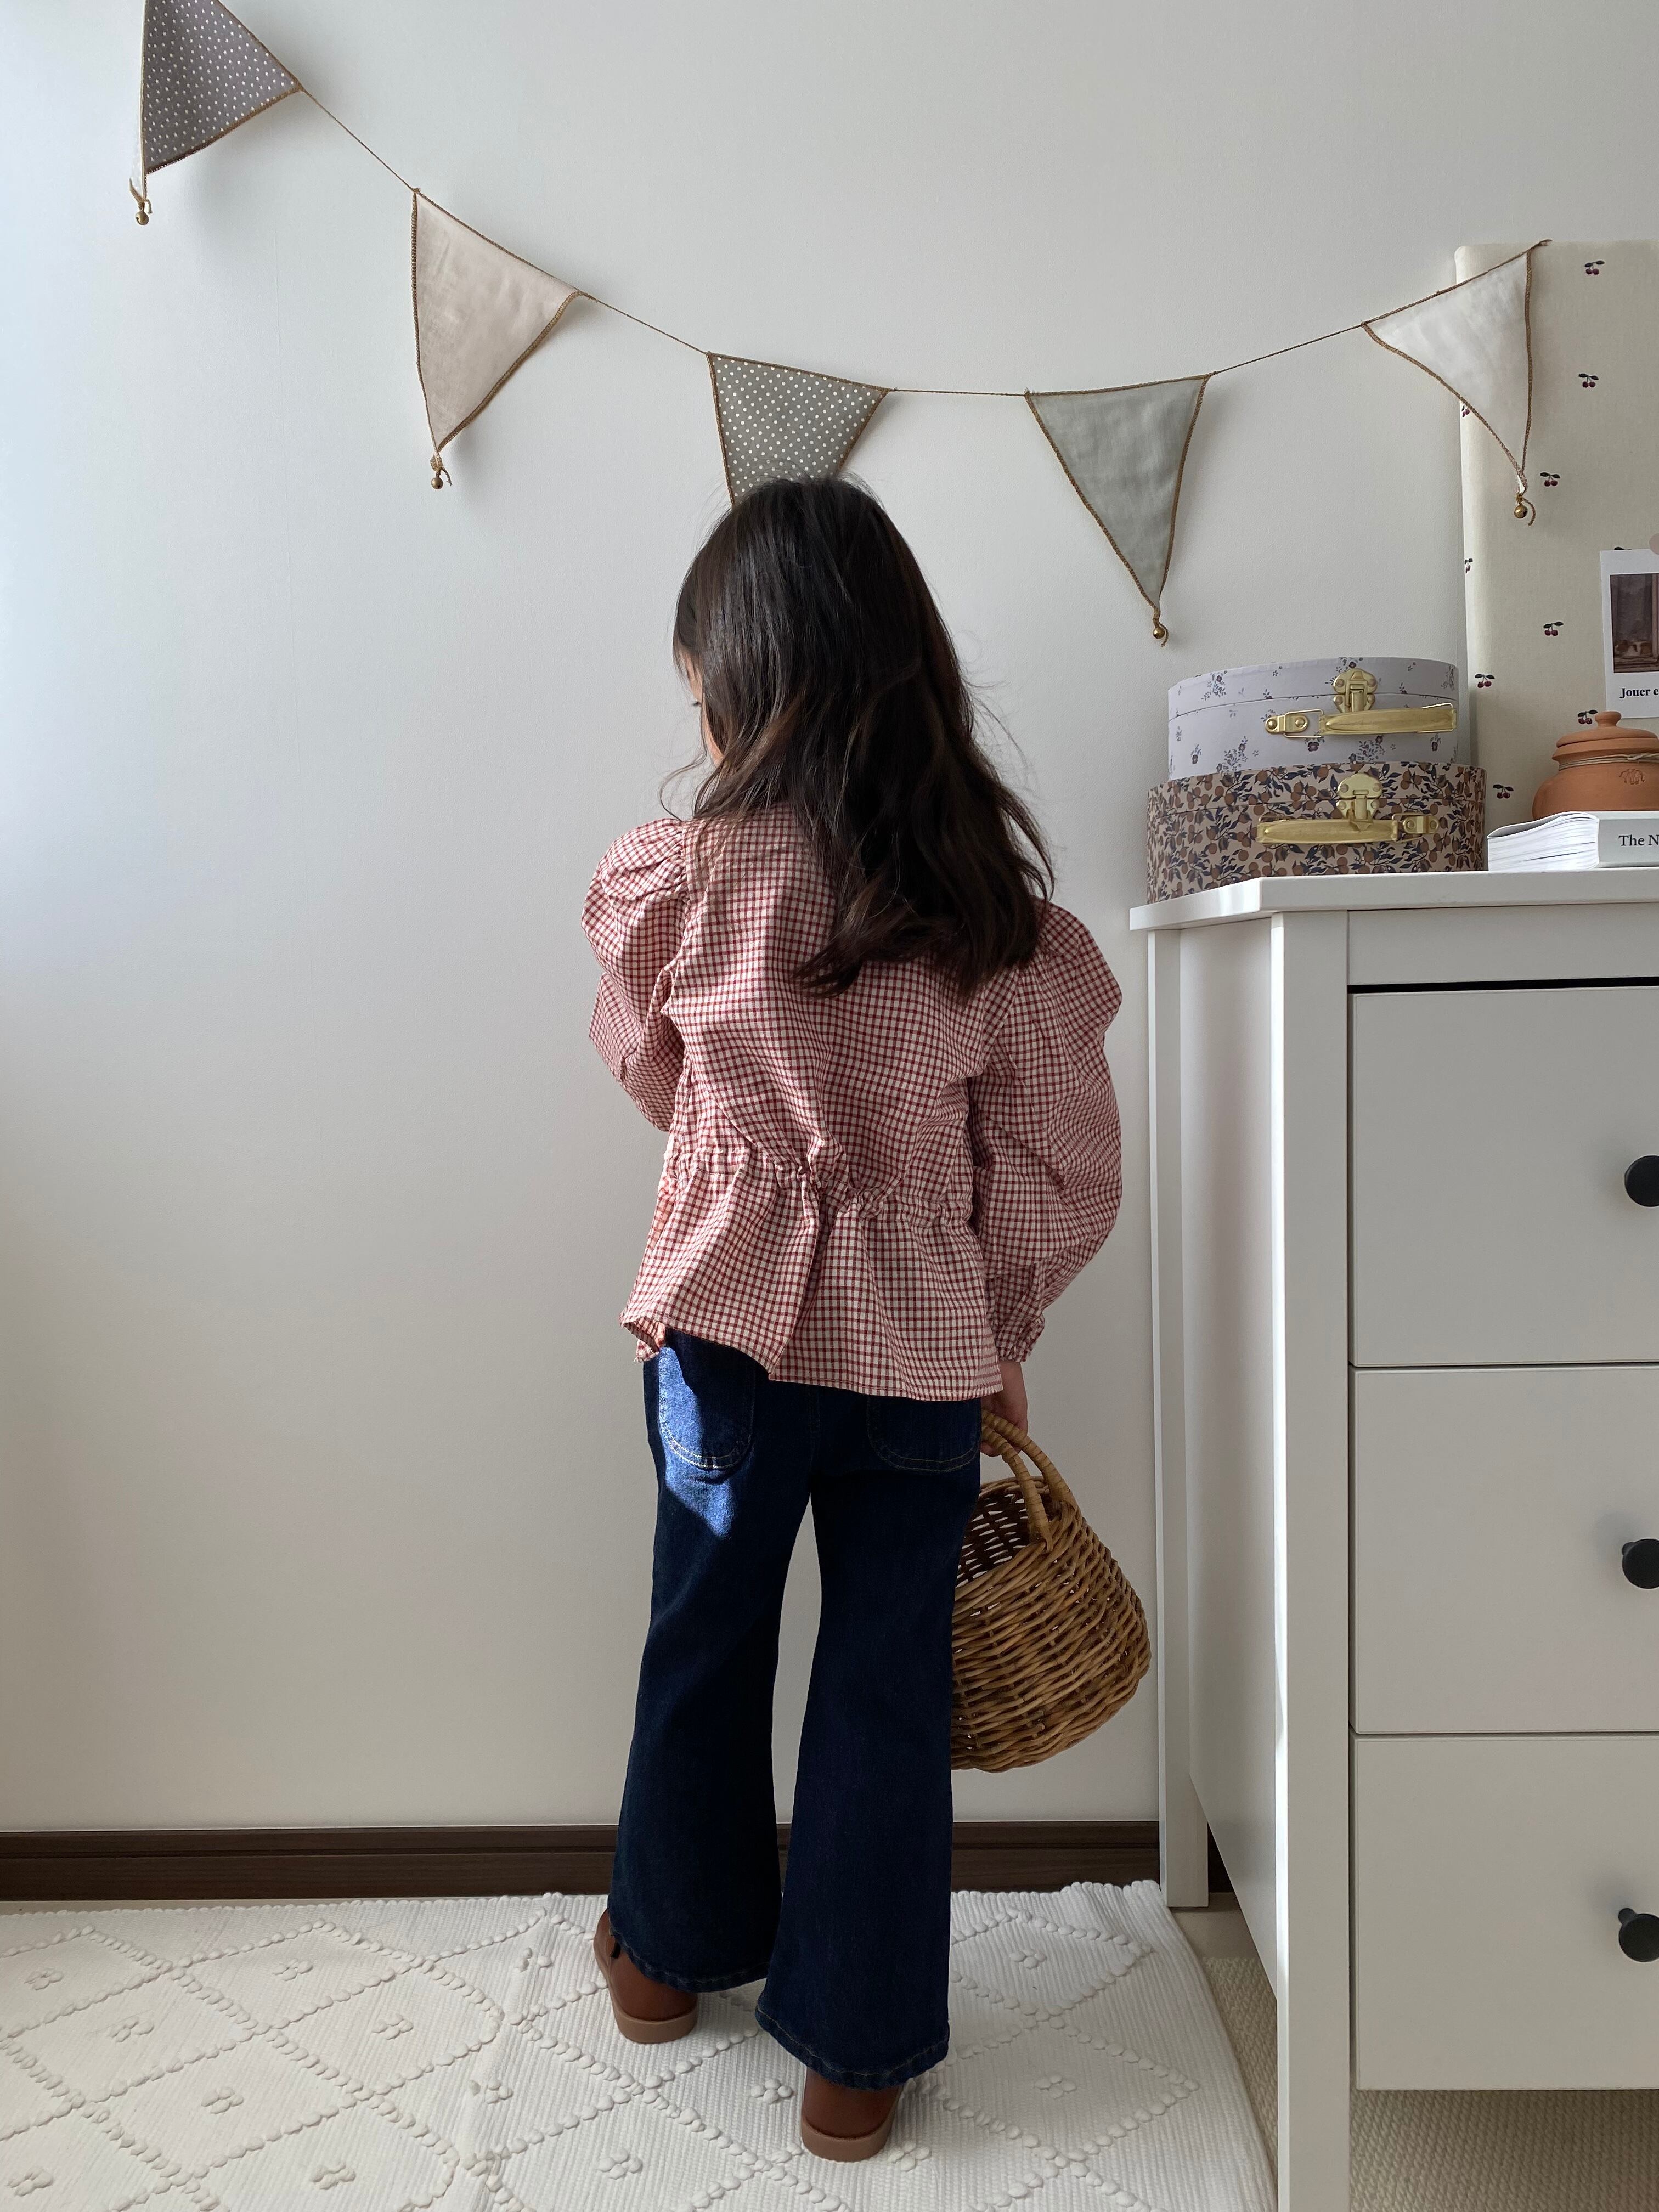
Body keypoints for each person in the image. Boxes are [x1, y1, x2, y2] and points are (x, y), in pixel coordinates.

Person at [582, 477, 1122, 2162]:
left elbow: (654, 1070)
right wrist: (1000, 1323)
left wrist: (746, 1164)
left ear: (739, 687)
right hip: (924, 1357)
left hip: (725, 1341)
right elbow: (1054, 1169)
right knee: (887, 1692)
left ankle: (665, 1960)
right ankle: (858, 2059)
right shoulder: (994, 916)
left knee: (703, 1642)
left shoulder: (676, 881)